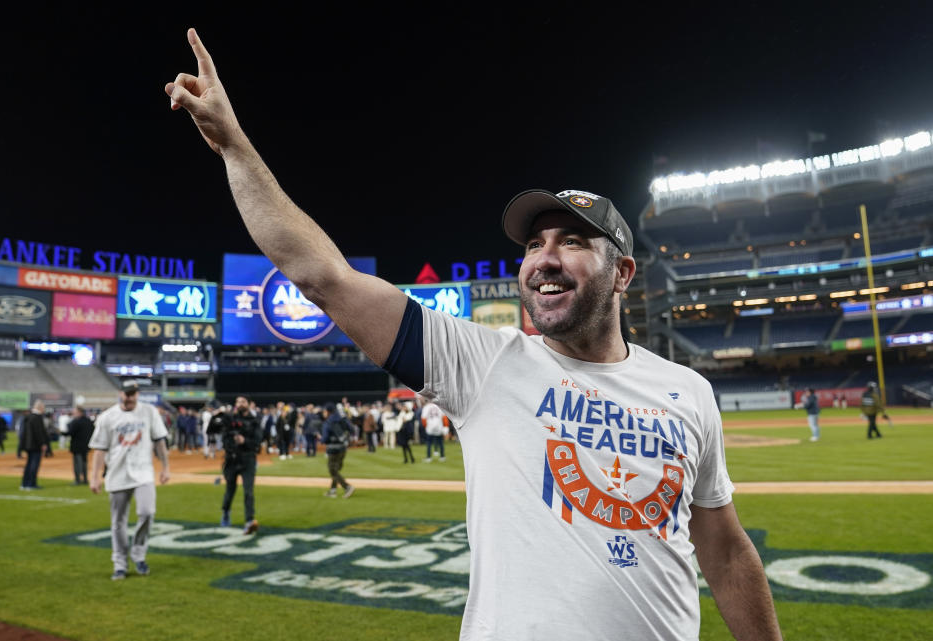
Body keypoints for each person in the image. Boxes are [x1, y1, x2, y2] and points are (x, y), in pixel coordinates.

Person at [167, 30, 781, 640]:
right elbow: (322, 276)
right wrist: (233, 145)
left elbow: (725, 552)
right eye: (534, 244)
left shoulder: (688, 391)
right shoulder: (483, 363)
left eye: (571, 240)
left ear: (622, 273)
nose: (544, 257)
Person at [89, 380, 171, 580]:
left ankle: (138, 554)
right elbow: (100, 449)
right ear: (120, 394)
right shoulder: (107, 417)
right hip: (117, 473)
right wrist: (94, 477)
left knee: (147, 512)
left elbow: (159, 441)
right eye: (127, 393)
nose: (130, 397)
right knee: (118, 522)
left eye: (133, 393)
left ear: (138, 394)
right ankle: (120, 564)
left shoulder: (149, 412)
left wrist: (166, 467)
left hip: (143, 472)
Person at [220, 396, 262, 534]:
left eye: (243, 401)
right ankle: (226, 512)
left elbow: (257, 443)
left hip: (248, 460)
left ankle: (249, 520)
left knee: (248, 491)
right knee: (230, 490)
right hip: (232, 459)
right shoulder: (230, 420)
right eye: (237, 401)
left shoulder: (255, 421)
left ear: (249, 404)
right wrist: (232, 444)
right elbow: (224, 440)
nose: (240, 404)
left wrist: (244, 441)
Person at [320, 403, 354, 498]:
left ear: (328, 411)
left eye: (324, 411)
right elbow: (351, 429)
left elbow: (325, 438)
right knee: (336, 470)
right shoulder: (341, 419)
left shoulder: (328, 422)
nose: (323, 413)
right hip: (343, 448)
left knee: (332, 471)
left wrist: (320, 438)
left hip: (333, 449)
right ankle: (333, 491)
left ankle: (347, 487)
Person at [20, 401, 49, 490]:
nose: (44, 410)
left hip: (28, 445)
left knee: (29, 464)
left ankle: (25, 483)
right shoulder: (37, 417)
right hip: (35, 445)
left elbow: (23, 433)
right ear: (40, 408)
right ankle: (31, 484)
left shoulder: (28, 417)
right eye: (43, 408)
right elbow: (38, 432)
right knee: (34, 464)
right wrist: (43, 443)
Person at [67, 406, 95, 485]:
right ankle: (85, 479)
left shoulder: (76, 421)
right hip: (86, 445)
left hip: (77, 445)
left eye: (75, 412)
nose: (73, 414)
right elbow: (93, 431)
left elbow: (70, 432)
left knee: (77, 463)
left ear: (79, 412)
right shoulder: (88, 421)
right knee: (84, 462)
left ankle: (77, 480)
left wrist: (61, 432)